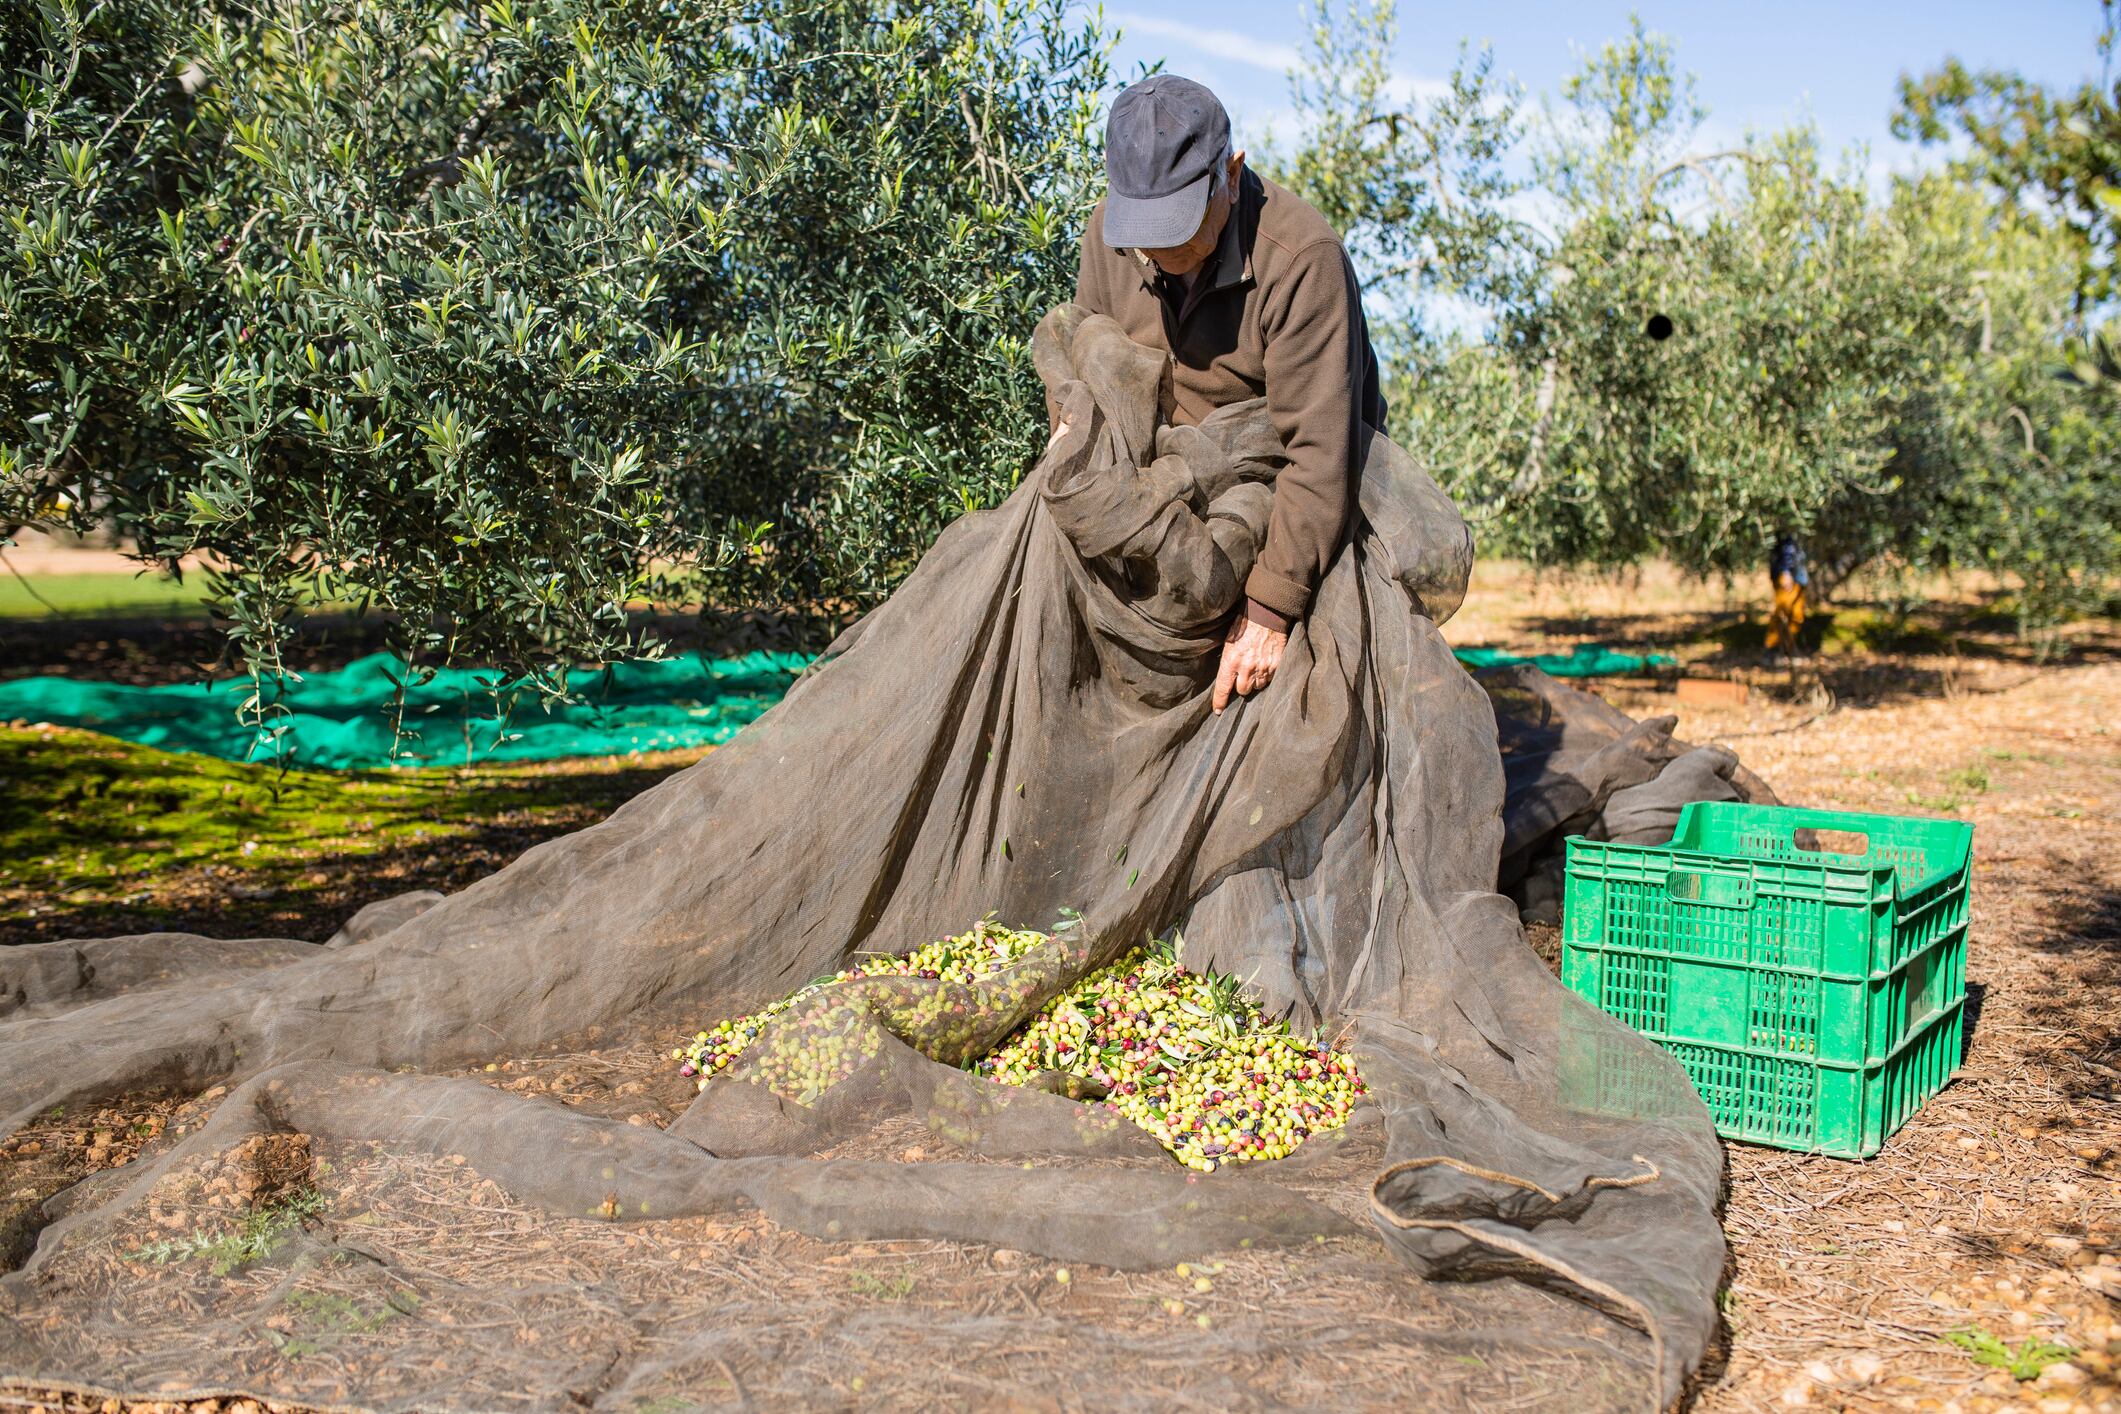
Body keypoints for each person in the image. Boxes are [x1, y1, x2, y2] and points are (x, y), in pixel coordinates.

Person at [1067, 75, 1387, 713]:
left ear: (1231, 175)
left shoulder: (1301, 258)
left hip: (1286, 510)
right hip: (1165, 504)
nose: (1161, 249)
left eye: (1180, 225)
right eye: (1146, 228)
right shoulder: (1111, 238)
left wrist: (1271, 608)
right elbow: (1089, 371)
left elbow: (1321, 455)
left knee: (1292, 720)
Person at [1766, 529, 1809, 661]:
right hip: (1787, 576)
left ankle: (1788, 650)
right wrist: (1785, 572)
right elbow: (1787, 548)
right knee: (1781, 614)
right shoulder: (1789, 518)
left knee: (1797, 615)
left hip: (1798, 577)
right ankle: (1772, 650)